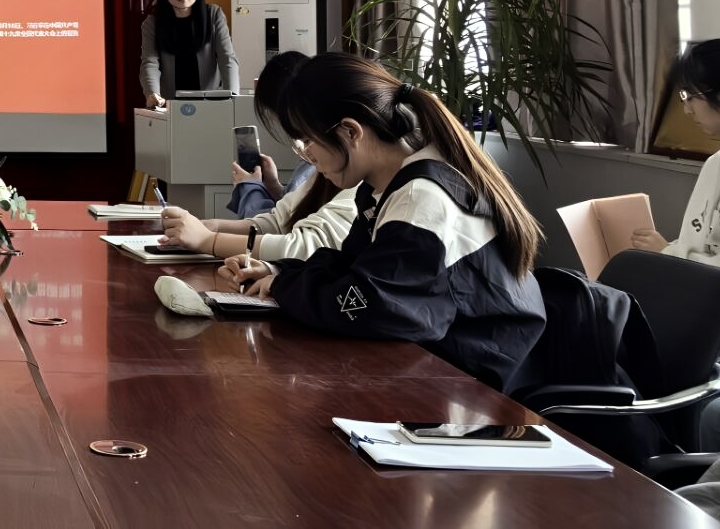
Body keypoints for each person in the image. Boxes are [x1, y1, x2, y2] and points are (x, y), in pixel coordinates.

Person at [229, 53, 546, 392]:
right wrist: (279, 270)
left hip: (475, 390)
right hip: (437, 368)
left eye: (308, 142)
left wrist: (283, 286)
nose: (309, 157)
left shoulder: (420, 198)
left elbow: (366, 305)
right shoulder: (387, 184)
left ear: (350, 131)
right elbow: (353, 267)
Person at [634, 40, 720, 450]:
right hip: (696, 304)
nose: (685, 109)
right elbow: (700, 241)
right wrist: (670, 252)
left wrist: (667, 255)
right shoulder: (717, 162)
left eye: (691, 96)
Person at [158, 51, 357, 263]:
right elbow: (278, 221)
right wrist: (210, 227)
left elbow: (302, 247)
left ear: (351, 131)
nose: (306, 152)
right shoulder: (327, 172)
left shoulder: (360, 187)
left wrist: (209, 240)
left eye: (306, 139)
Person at [138, 0, 239, 107]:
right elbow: (150, 62)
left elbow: (227, 58)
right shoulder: (152, 23)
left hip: (210, 104)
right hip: (170, 105)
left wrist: (233, 98)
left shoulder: (214, 15)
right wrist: (153, 94)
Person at [226, 51, 315, 218]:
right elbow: (291, 208)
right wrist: (274, 187)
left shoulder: (318, 159)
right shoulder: (311, 156)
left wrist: (250, 187)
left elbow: (279, 227)